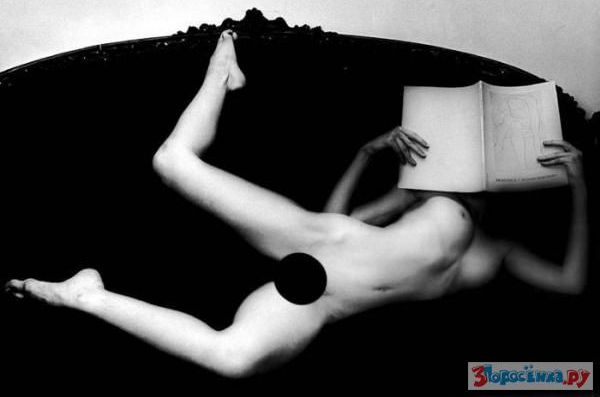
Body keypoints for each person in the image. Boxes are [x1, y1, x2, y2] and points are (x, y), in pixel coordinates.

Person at [4, 30, 589, 378]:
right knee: (172, 163)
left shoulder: (500, 250)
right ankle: (222, 75)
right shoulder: (419, 195)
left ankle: (86, 296)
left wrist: (580, 183)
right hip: (320, 239)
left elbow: (570, 284)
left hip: (319, 302)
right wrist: (366, 153)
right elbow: (341, 219)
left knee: (232, 359)